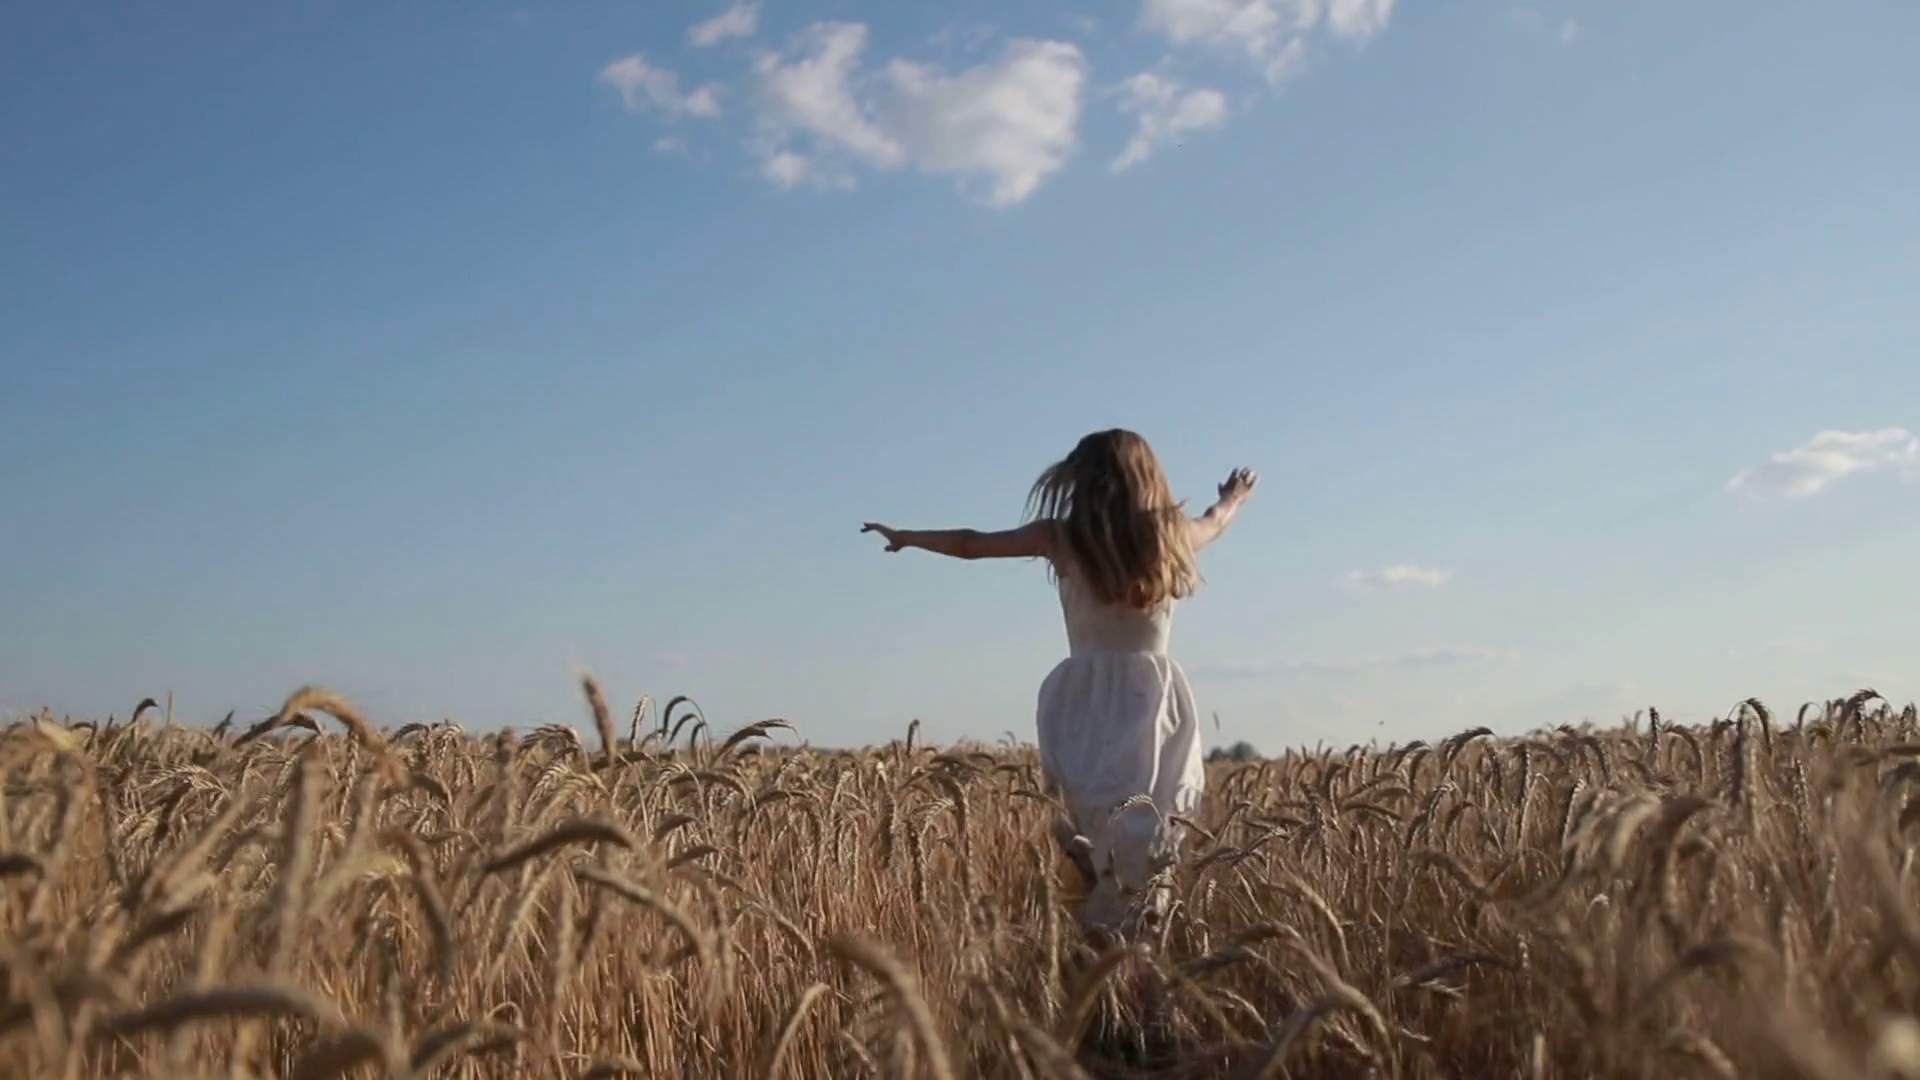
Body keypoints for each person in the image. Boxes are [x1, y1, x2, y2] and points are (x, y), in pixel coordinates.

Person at [861, 428, 1257, 935]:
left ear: (1081, 481)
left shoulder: (1062, 537)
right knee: (1152, 837)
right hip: (1153, 704)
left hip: (1083, 703)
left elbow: (970, 545)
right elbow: (1216, 523)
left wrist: (908, 537)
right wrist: (1233, 497)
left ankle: (1097, 954)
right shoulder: (1171, 534)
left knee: (1092, 835)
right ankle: (1138, 958)